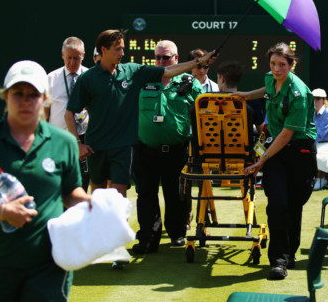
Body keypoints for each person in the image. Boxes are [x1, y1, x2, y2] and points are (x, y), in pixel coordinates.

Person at [0, 60, 91, 301]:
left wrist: (93, 203)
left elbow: (71, 192)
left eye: (33, 94)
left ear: (45, 98)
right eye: (18, 93)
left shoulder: (65, 143)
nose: (26, 101)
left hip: (49, 264)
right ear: (5, 96)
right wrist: (3, 211)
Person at [66, 30, 216, 198]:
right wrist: (78, 143)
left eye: (123, 48)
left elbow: (168, 71)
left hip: (122, 147)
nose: (122, 53)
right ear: (104, 50)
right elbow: (69, 113)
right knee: (98, 195)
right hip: (96, 147)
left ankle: (118, 225)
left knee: (118, 197)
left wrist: (199, 62)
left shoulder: (132, 71)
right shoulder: (87, 78)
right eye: (117, 49)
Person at [238, 42, 317, 280]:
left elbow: (286, 135)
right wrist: (245, 96)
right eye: (273, 63)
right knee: (277, 205)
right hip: (275, 149)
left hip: (298, 150)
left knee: (293, 205)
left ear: (291, 65)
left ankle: (290, 254)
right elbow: (266, 90)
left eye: (282, 64)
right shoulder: (271, 78)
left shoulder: (299, 93)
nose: (276, 69)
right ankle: (278, 260)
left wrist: (260, 160)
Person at [131, 40, 203, 254]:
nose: (161, 61)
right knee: (146, 194)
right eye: (158, 57)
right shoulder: (142, 80)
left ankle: (177, 233)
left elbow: (203, 114)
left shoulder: (190, 82)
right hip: (145, 149)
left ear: (177, 59)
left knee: (177, 194)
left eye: (167, 57)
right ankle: (148, 239)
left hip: (177, 149)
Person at [44, 37, 90, 191]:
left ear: (83, 56)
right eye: (68, 58)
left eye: (76, 58)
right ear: (62, 55)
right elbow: (44, 111)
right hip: (58, 139)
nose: (72, 62)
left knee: (81, 184)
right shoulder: (51, 78)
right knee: (57, 185)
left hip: (83, 139)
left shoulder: (90, 77)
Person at [217, 60, 265, 134]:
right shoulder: (252, 102)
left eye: (218, 78)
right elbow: (262, 132)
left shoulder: (206, 101)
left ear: (222, 78)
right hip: (244, 145)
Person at [311, 88, 328, 191]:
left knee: (318, 156)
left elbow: (321, 134)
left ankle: (321, 178)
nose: (315, 101)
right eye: (313, 98)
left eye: (318, 98)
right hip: (316, 142)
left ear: (323, 100)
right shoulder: (311, 112)